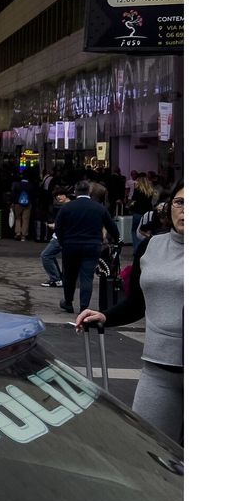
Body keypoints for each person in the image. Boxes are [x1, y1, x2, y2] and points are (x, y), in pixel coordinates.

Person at [77, 184, 183, 444]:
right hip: (158, 371)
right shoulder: (150, 247)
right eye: (181, 203)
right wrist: (105, 316)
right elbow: (137, 302)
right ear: (169, 207)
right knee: (148, 450)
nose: (186, 211)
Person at [54, 180, 120, 315]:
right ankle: (84, 306)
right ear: (89, 192)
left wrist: (62, 242)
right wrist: (116, 239)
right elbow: (111, 226)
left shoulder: (67, 208)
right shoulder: (99, 208)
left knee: (69, 275)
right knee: (87, 276)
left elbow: (58, 227)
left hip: (70, 245)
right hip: (92, 246)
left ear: (75, 192)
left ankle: (68, 302)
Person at [39, 186, 71, 289]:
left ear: (65, 195)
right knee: (49, 255)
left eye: (60, 195)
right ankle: (58, 278)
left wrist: (55, 226)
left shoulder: (66, 207)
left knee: (46, 255)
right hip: (63, 236)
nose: (58, 197)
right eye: (57, 196)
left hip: (61, 236)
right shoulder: (68, 206)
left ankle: (56, 279)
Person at [10, 174, 32, 241]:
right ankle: (23, 236)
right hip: (28, 204)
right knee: (25, 219)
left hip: (17, 203)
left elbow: (13, 194)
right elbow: (34, 195)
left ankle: (18, 233)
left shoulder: (16, 184)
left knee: (18, 218)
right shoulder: (30, 185)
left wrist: (12, 202)